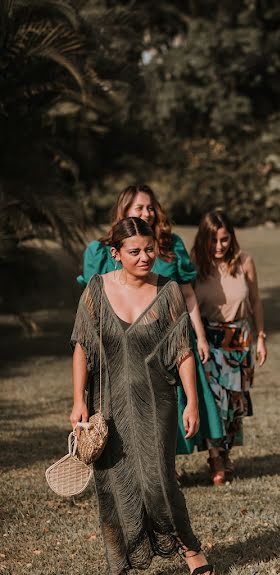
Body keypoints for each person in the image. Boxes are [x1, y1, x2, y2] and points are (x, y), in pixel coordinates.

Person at [70, 217, 215, 575]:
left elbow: (183, 351)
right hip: (107, 404)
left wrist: (192, 402)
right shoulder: (97, 290)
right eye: (134, 251)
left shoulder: (168, 292)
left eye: (150, 248)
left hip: (157, 400)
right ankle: (117, 568)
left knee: (158, 480)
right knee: (114, 486)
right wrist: (77, 403)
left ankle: (189, 548)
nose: (145, 256)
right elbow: (82, 346)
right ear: (115, 254)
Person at [77, 184, 225, 468]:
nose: (147, 212)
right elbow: (90, 304)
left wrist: (201, 336)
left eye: (150, 207)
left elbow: (188, 293)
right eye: (139, 208)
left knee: (188, 399)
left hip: (171, 335)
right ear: (124, 212)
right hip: (123, 345)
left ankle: (208, 457)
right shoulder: (99, 251)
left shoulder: (171, 245)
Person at [192, 211, 267, 484]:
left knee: (234, 403)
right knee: (213, 401)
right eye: (213, 241)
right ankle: (215, 457)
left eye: (224, 240)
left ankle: (225, 453)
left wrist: (261, 336)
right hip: (208, 339)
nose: (219, 246)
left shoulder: (244, 262)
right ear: (204, 240)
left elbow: (256, 301)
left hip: (240, 338)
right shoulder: (195, 265)